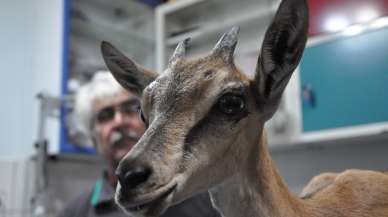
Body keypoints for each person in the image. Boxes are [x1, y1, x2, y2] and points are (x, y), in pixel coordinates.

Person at [58, 71, 220, 217]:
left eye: (131, 109)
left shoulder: (206, 200)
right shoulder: (74, 212)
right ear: (93, 139)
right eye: (105, 116)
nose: (119, 122)